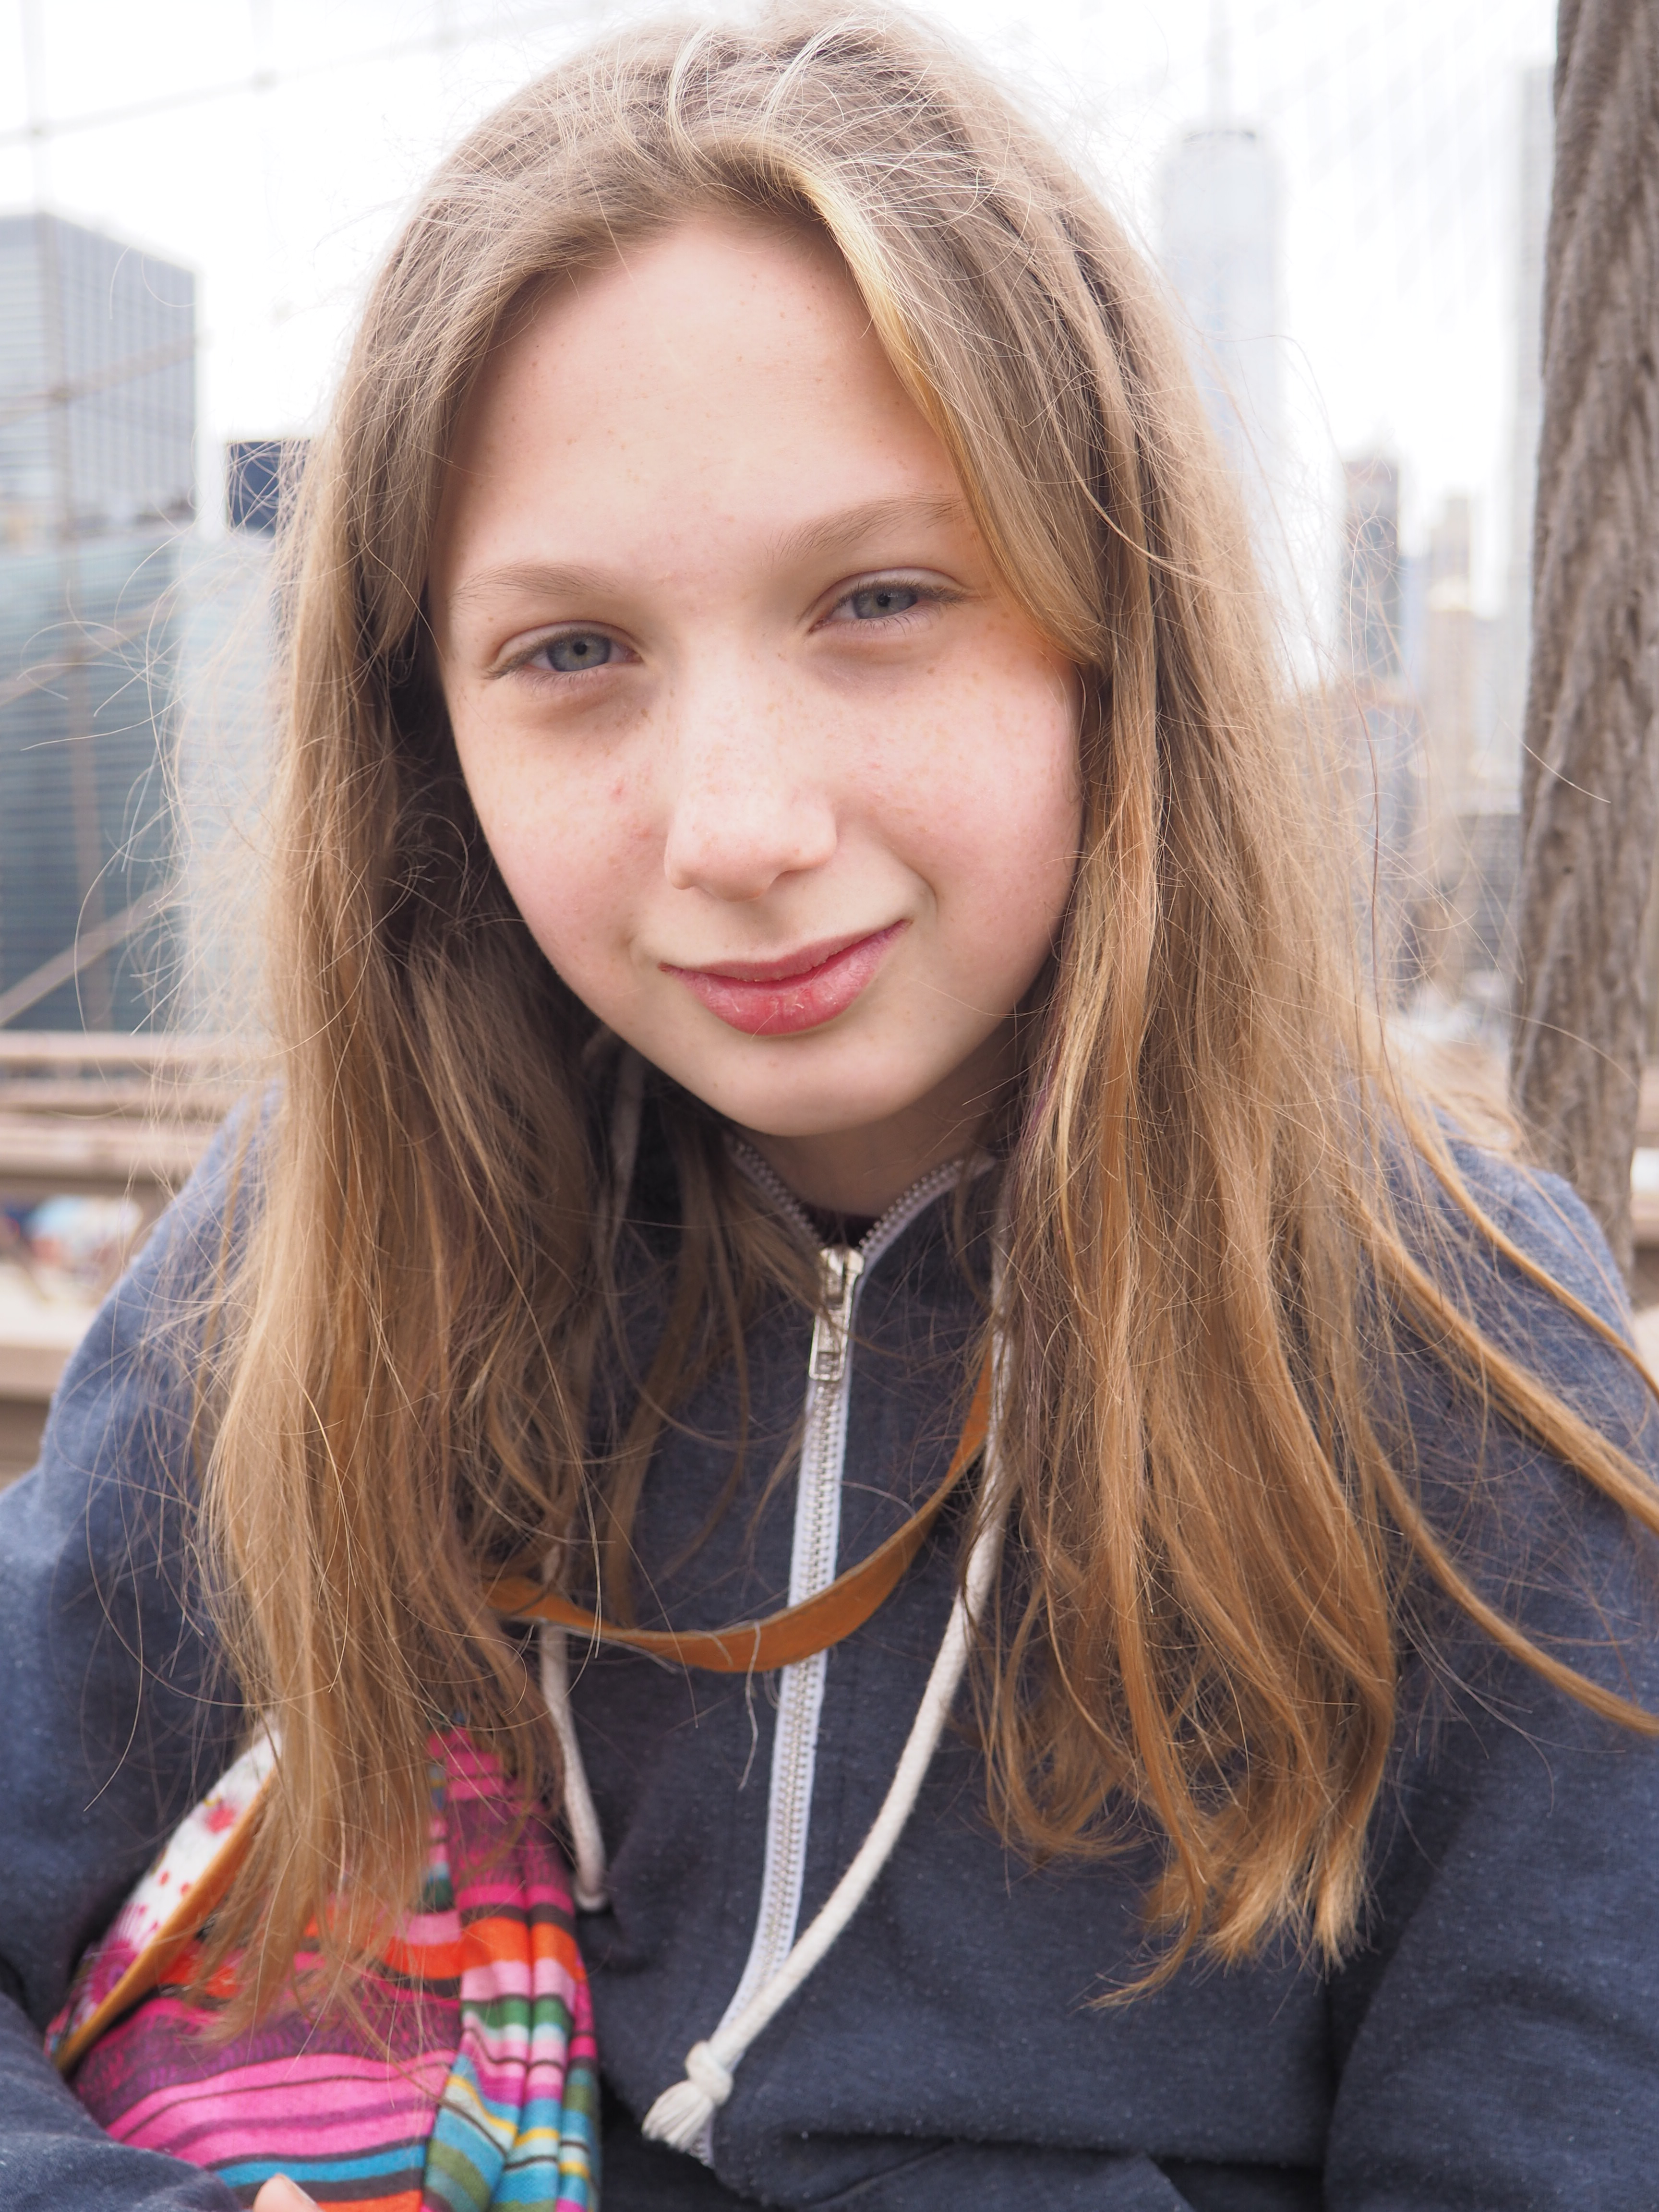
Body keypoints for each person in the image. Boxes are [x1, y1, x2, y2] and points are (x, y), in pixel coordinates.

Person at [4, 12, 1659, 2208]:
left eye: (881, 600)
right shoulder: (313, 1259)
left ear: (1113, 626)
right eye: (573, 652)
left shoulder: (1460, 1364)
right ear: (425, 734)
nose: (741, 828)